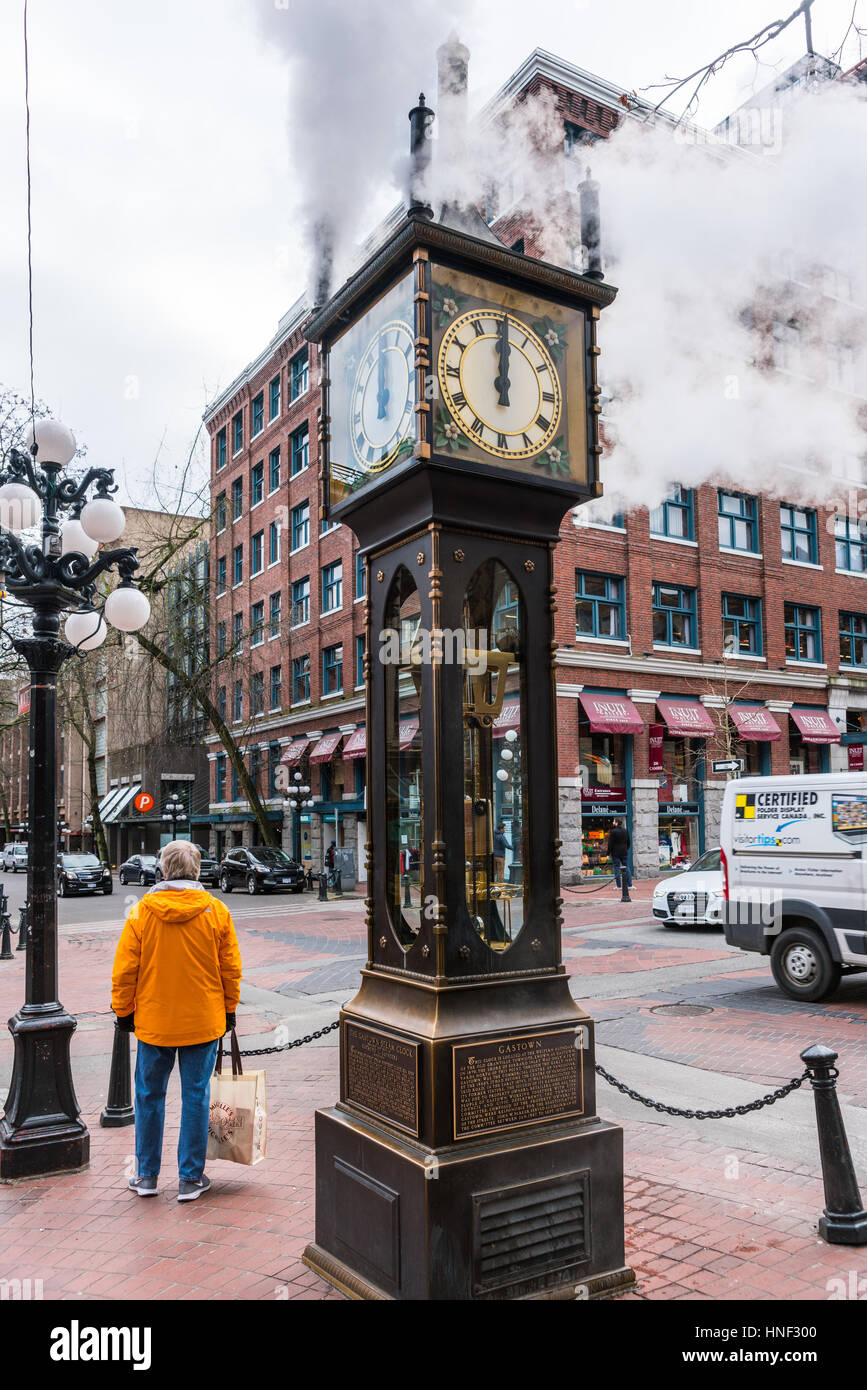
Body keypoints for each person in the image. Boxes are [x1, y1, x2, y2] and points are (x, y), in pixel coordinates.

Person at [111, 840, 242, 1203]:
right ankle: (190, 1177)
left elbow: (125, 971)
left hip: (154, 1022)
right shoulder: (215, 911)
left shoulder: (142, 913)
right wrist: (229, 1009)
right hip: (203, 1019)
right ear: (197, 871)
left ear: (163, 871)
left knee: (149, 1095)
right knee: (196, 1096)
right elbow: (231, 968)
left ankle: (147, 1175)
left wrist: (124, 1012)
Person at [607, 819, 632, 890]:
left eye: (613, 821)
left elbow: (610, 844)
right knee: (627, 867)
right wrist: (625, 849)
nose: (612, 822)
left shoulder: (613, 832)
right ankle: (629, 885)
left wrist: (608, 853)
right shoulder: (625, 831)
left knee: (617, 868)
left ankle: (619, 886)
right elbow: (628, 842)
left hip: (615, 853)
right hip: (624, 852)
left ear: (616, 823)